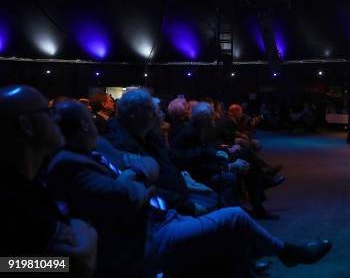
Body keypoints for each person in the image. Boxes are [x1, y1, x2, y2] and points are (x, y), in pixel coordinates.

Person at [47, 100, 332, 277]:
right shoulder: (70, 161)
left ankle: (260, 255)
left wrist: (138, 176)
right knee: (232, 214)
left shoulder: (103, 146)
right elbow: (127, 193)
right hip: (145, 234)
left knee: (230, 227)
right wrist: (138, 173)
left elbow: (153, 171)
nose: (160, 116)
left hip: (161, 213)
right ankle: (286, 252)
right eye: (154, 111)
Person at [0, 86, 98, 277]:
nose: (58, 118)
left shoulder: (39, 178)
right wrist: (64, 263)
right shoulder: (8, 202)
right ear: (26, 125)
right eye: (48, 112)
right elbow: (6, 264)